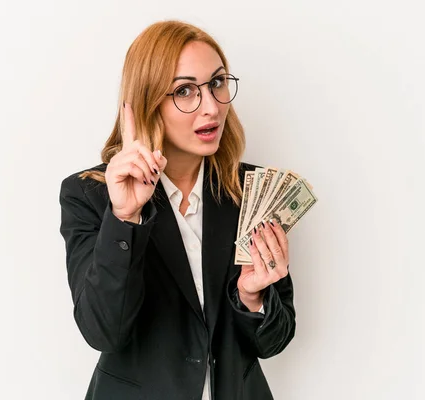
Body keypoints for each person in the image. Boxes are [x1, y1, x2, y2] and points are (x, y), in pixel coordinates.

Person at [59, 20, 296, 400]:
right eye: (185, 90)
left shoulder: (251, 191)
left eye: (217, 83)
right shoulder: (89, 194)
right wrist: (124, 220)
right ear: (149, 101)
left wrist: (252, 297)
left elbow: (275, 340)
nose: (211, 107)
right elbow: (102, 331)